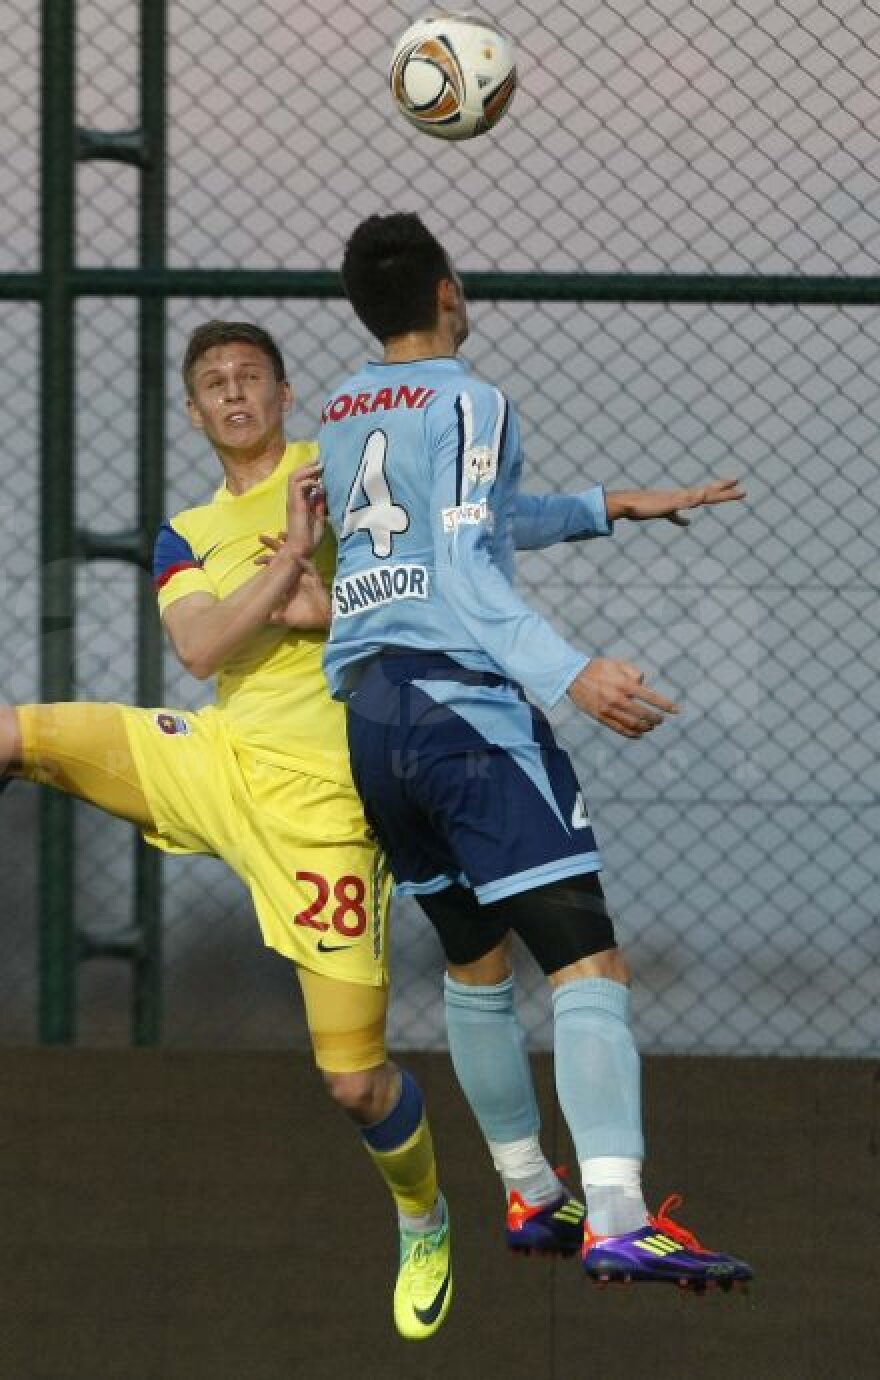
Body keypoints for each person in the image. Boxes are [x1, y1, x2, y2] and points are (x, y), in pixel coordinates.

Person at [0, 318, 744, 1328]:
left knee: (354, 1083)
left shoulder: (339, 462)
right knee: (3, 733)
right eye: (214, 382)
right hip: (217, 758)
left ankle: (422, 1217)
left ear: (282, 393)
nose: (234, 393)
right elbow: (198, 643)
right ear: (193, 410)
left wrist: (605, 507)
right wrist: (289, 579)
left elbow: (467, 532)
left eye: (251, 377)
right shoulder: (185, 532)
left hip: (329, 811)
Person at [310, 212, 753, 1290]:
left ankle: (528, 1188)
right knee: (588, 962)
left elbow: (458, 524)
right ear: (450, 290)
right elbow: (463, 569)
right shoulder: (471, 398)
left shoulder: (341, 410)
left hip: (375, 718)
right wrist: (572, 671)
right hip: (465, 716)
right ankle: (616, 1213)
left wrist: (607, 508)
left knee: (476, 964)